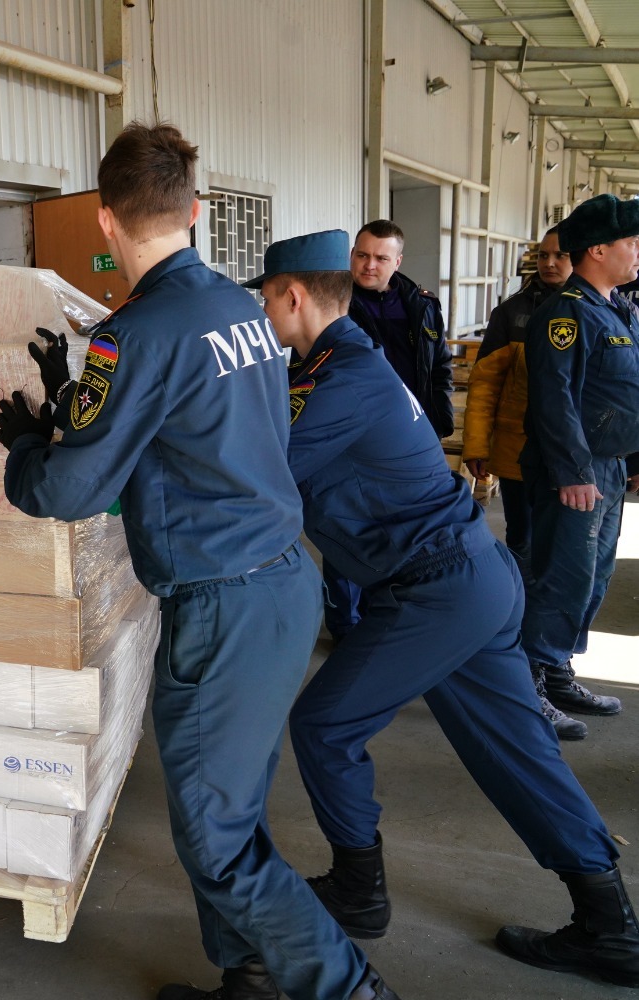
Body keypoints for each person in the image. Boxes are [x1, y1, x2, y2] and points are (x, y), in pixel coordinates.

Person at [0, 122, 397, 1000]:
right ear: (196, 210)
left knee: (216, 839)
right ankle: (249, 976)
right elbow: (199, 436)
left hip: (223, 607)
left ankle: (347, 990)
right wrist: (83, 412)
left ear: (106, 220)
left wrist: (28, 450)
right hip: (283, 582)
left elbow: (69, 491)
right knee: (230, 810)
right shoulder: (241, 312)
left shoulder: (132, 334)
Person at [250, 229, 636, 992]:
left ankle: (359, 890)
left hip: (437, 588)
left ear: (291, 296)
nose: (263, 313)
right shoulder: (337, 364)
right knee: (520, 754)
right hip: (468, 579)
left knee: (324, 725)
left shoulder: (339, 380)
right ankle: (612, 926)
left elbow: (258, 475)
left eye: (264, 299)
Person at [519, 194, 638, 739]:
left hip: (610, 468)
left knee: (594, 578)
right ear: (598, 250)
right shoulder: (565, 314)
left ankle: (558, 670)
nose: (638, 251)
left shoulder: (619, 308)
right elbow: (555, 400)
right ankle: (528, 686)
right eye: (631, 242)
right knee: (561, 578)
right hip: (576, 472)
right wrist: (572, 473)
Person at [462, 229, 584, 738]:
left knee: (573, 571)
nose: (550, 263)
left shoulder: (599, 308)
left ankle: (556, 669)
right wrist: (477, 445)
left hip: (580, 466)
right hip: (519, 461)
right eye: (544, 255)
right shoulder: (512, 313)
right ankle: (527, 678)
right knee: (529, 562)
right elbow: (485, 383)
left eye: (561, 255)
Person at [317, 220, 453, 640]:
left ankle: (383, 616)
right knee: (347, 526)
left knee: (399, 530)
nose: (369, 265)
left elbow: (440, 368)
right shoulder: (332, 303)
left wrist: (439, 421)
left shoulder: (422, 305)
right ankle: (346, 625)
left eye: (380, 258)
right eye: (361, 255)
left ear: (398, 261)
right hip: (352, 437)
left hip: (406, 436)